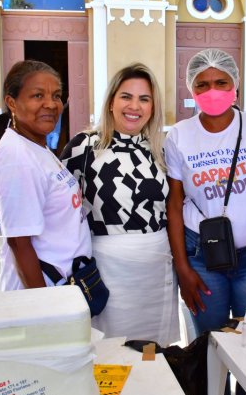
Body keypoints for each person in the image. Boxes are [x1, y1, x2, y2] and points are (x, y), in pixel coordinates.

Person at [164, 49, 246, 395]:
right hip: (202, 259)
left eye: (221, 83)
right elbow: (174, 204)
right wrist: (182, 268)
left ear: (235, 85)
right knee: (211, 347)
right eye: (202, 85)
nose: (212, 91)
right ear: (192, 90)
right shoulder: (179, 136)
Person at [60, 63, 178, 346]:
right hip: (106, 269)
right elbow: (63, 214)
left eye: (144, 99)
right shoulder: (83, 147)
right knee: (109, 352)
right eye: (126, 96)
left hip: (155, 268)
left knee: (152, 353)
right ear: (111, 101)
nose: (134, 106)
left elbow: (174, 209)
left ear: (152, 107)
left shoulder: (162, 148)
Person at [0, 60, 91, 291]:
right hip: (44, 295)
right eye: (37, 96)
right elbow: (19, 242)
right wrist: (43, 306)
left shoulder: (36, 146)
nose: (51, 104)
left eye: (56, 96)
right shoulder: (17, 157)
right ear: (12, 102)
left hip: (64, 286)